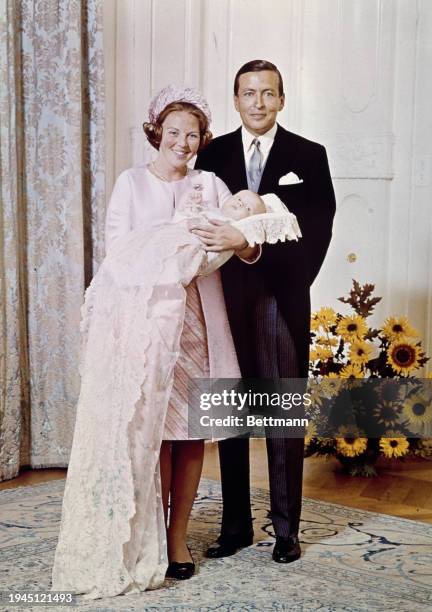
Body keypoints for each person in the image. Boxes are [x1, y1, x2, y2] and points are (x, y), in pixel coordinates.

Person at [51, 85, 299, 600]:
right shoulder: (130, 184)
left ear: (202, 139)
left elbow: (235, 237)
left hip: (200, 323)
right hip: (146, 325)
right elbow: (119, 252)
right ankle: (148, 539)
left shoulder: (210, 183)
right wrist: (170, 249)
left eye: (192, 135)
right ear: (156, 134)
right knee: (154, 432)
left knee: (190, 433)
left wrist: (224, 244)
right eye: (173, 134)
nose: (183, 144)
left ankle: (178, 538)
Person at [195, 59, 336, 563]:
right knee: (229, 408)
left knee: (280, 413)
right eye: (248, 93)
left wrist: (251, 246)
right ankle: (235, 526)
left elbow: (315, 233)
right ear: (235, 100)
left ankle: (286, 529)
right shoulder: (210, 155)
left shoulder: (309, 156)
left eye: (267, 93)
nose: (258, 102)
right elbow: (197, 220)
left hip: (281, 294)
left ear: (282, 99)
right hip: (223, 297)